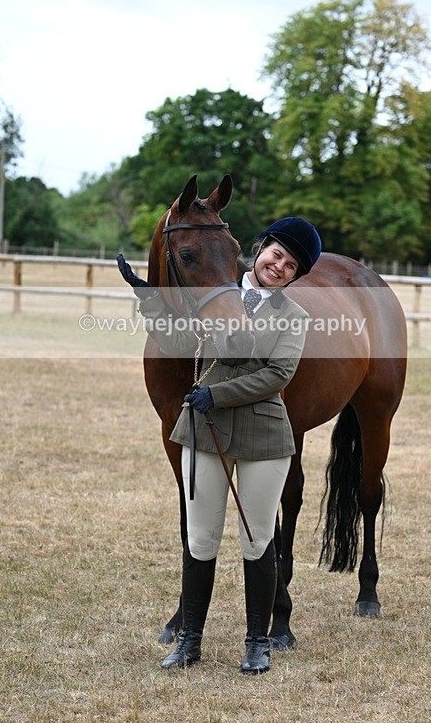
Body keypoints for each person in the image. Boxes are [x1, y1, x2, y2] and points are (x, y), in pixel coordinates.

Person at [117, 216, 321, 674]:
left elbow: (277, 376)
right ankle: (189, 641)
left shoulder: (294, 316)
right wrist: (147, 298)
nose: (279, 266)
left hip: (263, 435)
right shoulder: (214, 295)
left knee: (257, 538)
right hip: (205, 431)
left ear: (294, 275)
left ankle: (257, 643)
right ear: (261, 247)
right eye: (276, 254)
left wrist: (217, 394)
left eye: (290, 265)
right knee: (201, 537)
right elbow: (177, 341)